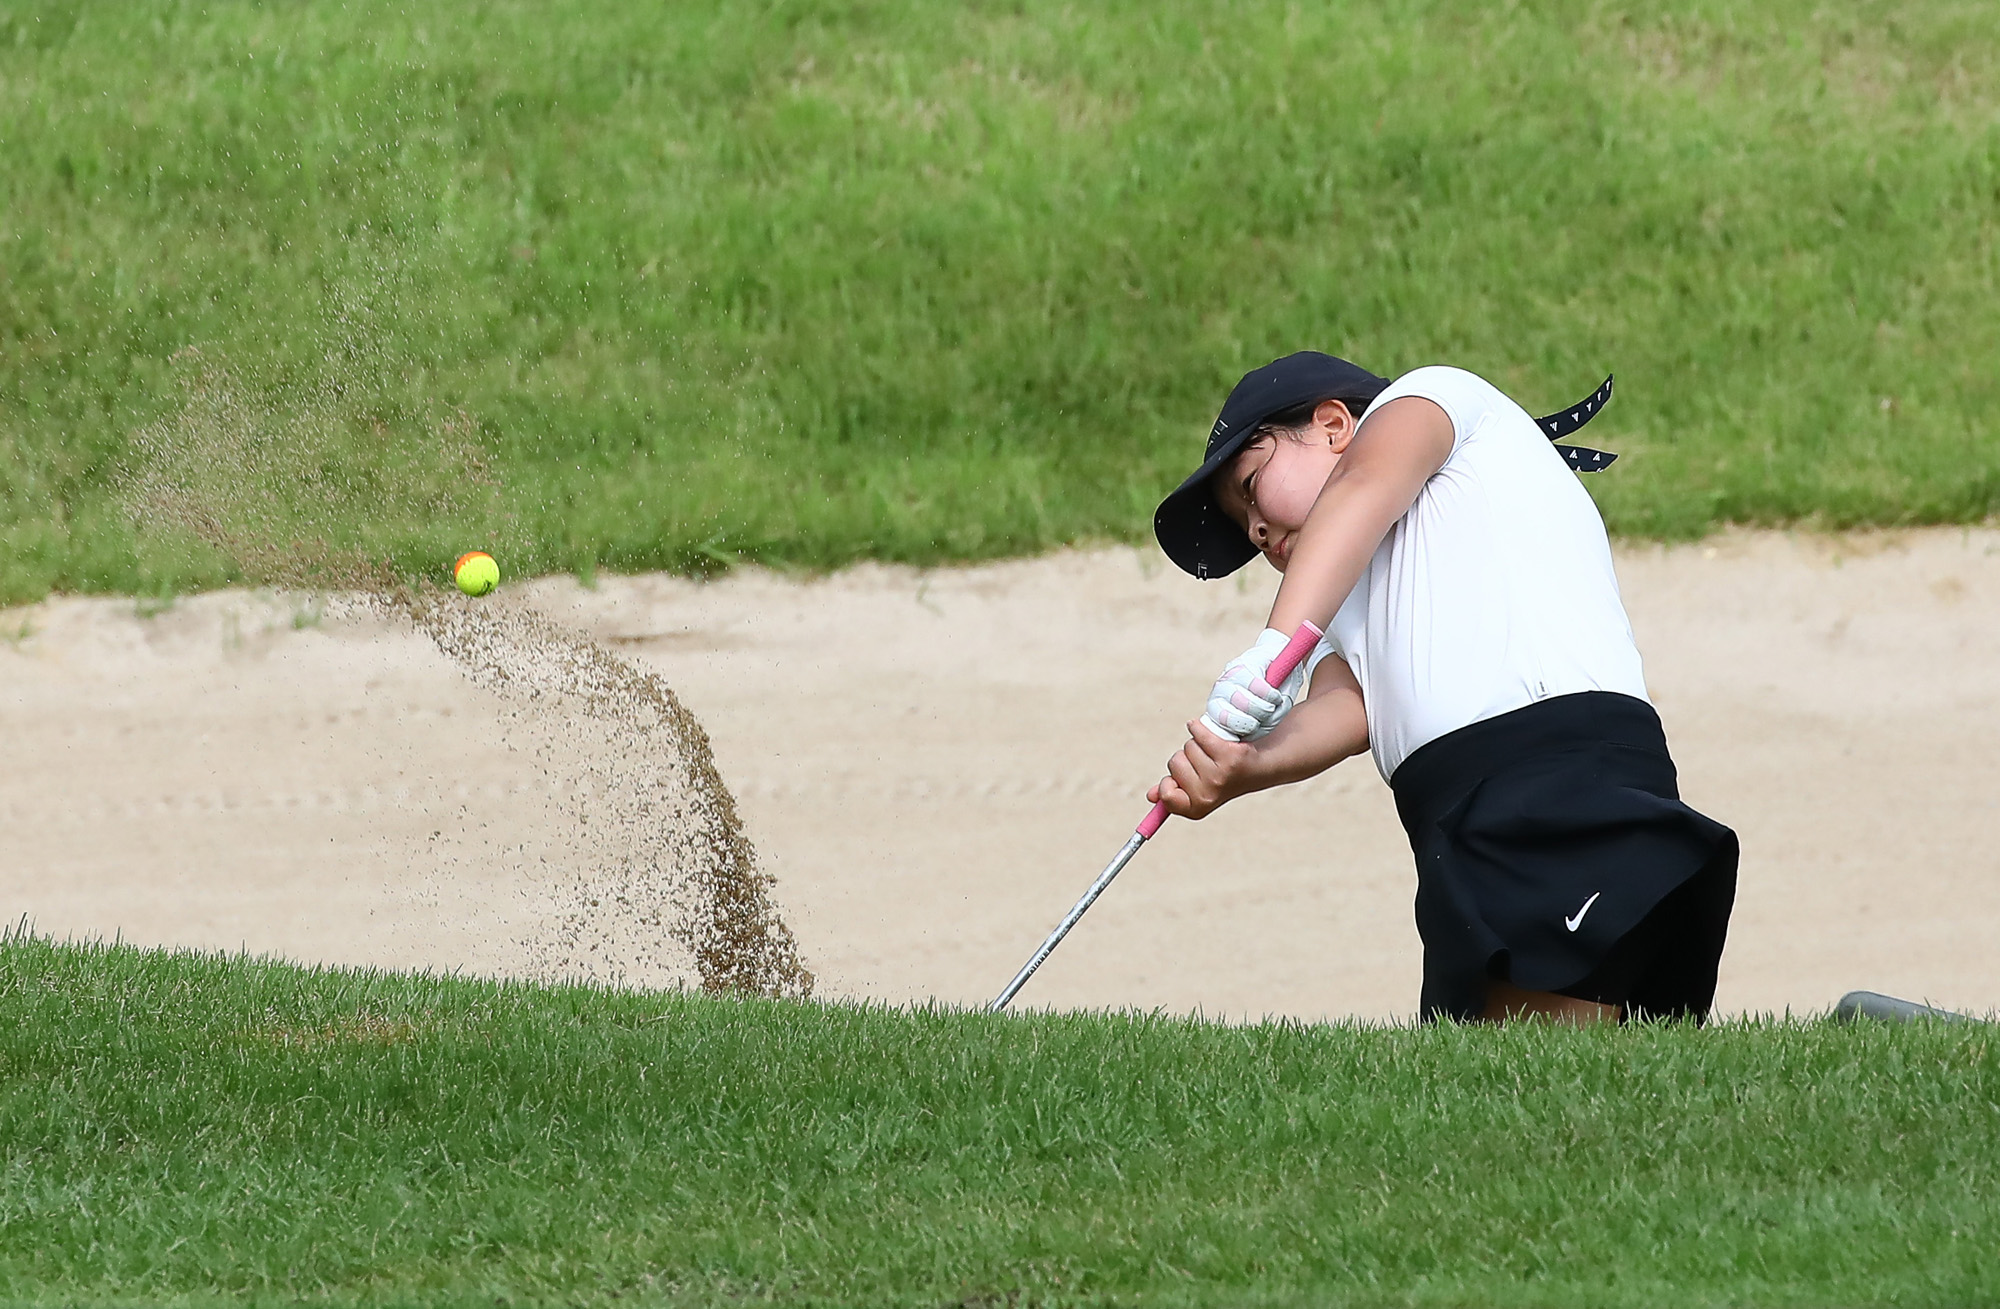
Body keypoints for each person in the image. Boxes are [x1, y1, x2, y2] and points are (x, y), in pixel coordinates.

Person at [1148, 352, 1738, 1024]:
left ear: (1334, 424)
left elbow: (1362, 487)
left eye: (1251, 487)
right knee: (1536, 1090)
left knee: (1534, 1082)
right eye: (1244, 529)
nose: (1254, 530)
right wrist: (1249, 764)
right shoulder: (1344, 607)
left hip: (1555, 776)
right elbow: (1348, 709)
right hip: (1459, 825)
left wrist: (1273, 649)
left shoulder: (1433, 398)